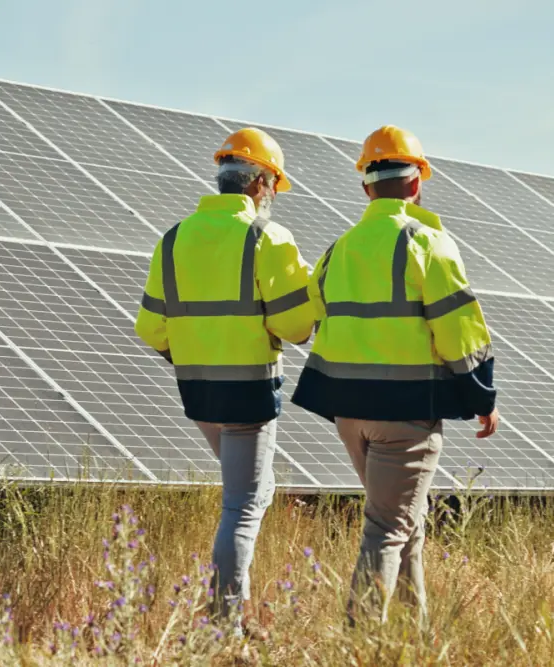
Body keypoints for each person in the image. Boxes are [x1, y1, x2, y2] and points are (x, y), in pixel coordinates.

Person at [290, 125, 500, 627]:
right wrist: (482, 395)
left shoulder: (338, 248)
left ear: (366, 186)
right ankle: (362, 644)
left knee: (408, 522)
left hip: (349, 414)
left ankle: (413, 634)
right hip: (405, 413)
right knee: (387, 526)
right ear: (417, 183)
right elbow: (459, 331)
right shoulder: (428, 243)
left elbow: (304, 321)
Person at [135, 127, 316, 626]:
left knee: (255, 490)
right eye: (274, 184)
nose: (274, 194)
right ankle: (223, 625)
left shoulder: (173, 238)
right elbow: (296, 327)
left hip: (199, 394)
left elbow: (150, 327)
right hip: (250, 396)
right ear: (260, 182)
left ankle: (229, 615)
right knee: (243, 504)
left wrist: (197, 350)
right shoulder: (267, 238)